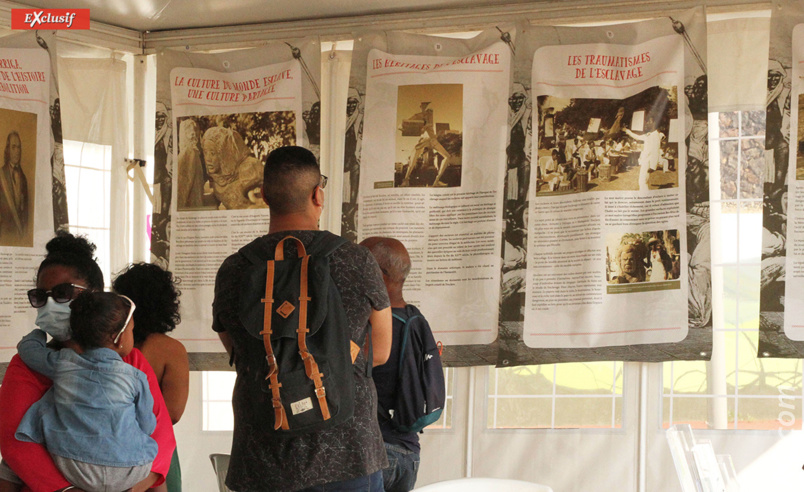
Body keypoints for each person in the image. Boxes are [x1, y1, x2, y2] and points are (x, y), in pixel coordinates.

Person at [212, 146, 392, 491]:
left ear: (263, 195)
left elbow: (238, 351)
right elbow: (380, 352)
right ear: (317, 195)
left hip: (263, 457)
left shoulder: (235, 269)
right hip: (349, 452)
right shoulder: (356, 260)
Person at [0, 232, 175, 492]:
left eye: (63, 293)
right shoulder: (26, 365)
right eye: (40, 296)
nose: (50, 304)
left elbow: (161, 434)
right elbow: (16, 442)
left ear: (95, 296)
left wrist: (134, 486)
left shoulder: (131, 360)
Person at [11, 292, 157, 492]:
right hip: (129, 470)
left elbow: (28, 351)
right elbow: (147, 426)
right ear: (118, 338)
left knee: (51, 400)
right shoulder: (135, 376)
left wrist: (38, 333)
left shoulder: (64, 363)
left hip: (74, 466)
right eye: (132, 330)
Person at [359, 237, 432, 492]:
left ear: (376, 274)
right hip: (409, 455)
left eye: (359, 265)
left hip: (377, 453)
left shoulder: (371, 328)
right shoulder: (416, 320)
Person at [113, 263, 190, 492]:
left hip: (110, 443)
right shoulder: (171, 349)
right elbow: (173, 414)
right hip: (156, 449)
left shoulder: (109, 344)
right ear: (167, 302)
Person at [201, 126, 266, 210]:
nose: (208, 159)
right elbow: (219, 197)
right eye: (206, 153)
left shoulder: (249, 167)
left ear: (224, 154)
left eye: (213, 153)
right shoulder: (217, 179)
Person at [0, 131, 29, 242]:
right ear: (7, 150)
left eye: (19, 147)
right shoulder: (1, 176)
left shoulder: (24, 179)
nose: (17, 151)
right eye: (13, 147)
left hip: (20, 238)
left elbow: (25, 214)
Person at [624, 118, 663, 192]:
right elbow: (637, 137)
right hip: (645, 161)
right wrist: (626, 130)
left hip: (648, 162)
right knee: (643, 181)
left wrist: (653, 166)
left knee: (642, 182)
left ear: (654, 123)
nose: (647, 123)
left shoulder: (655, 135)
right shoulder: (649, 134)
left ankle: (644, 197)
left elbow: (656, 150)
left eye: (649, 121)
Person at [176, 119, 205, 210]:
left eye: (195, 129)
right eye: (189, 129)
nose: (193, 133)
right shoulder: (190, 151)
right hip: (190, 202)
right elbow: (187, 179)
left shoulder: (193, 151)